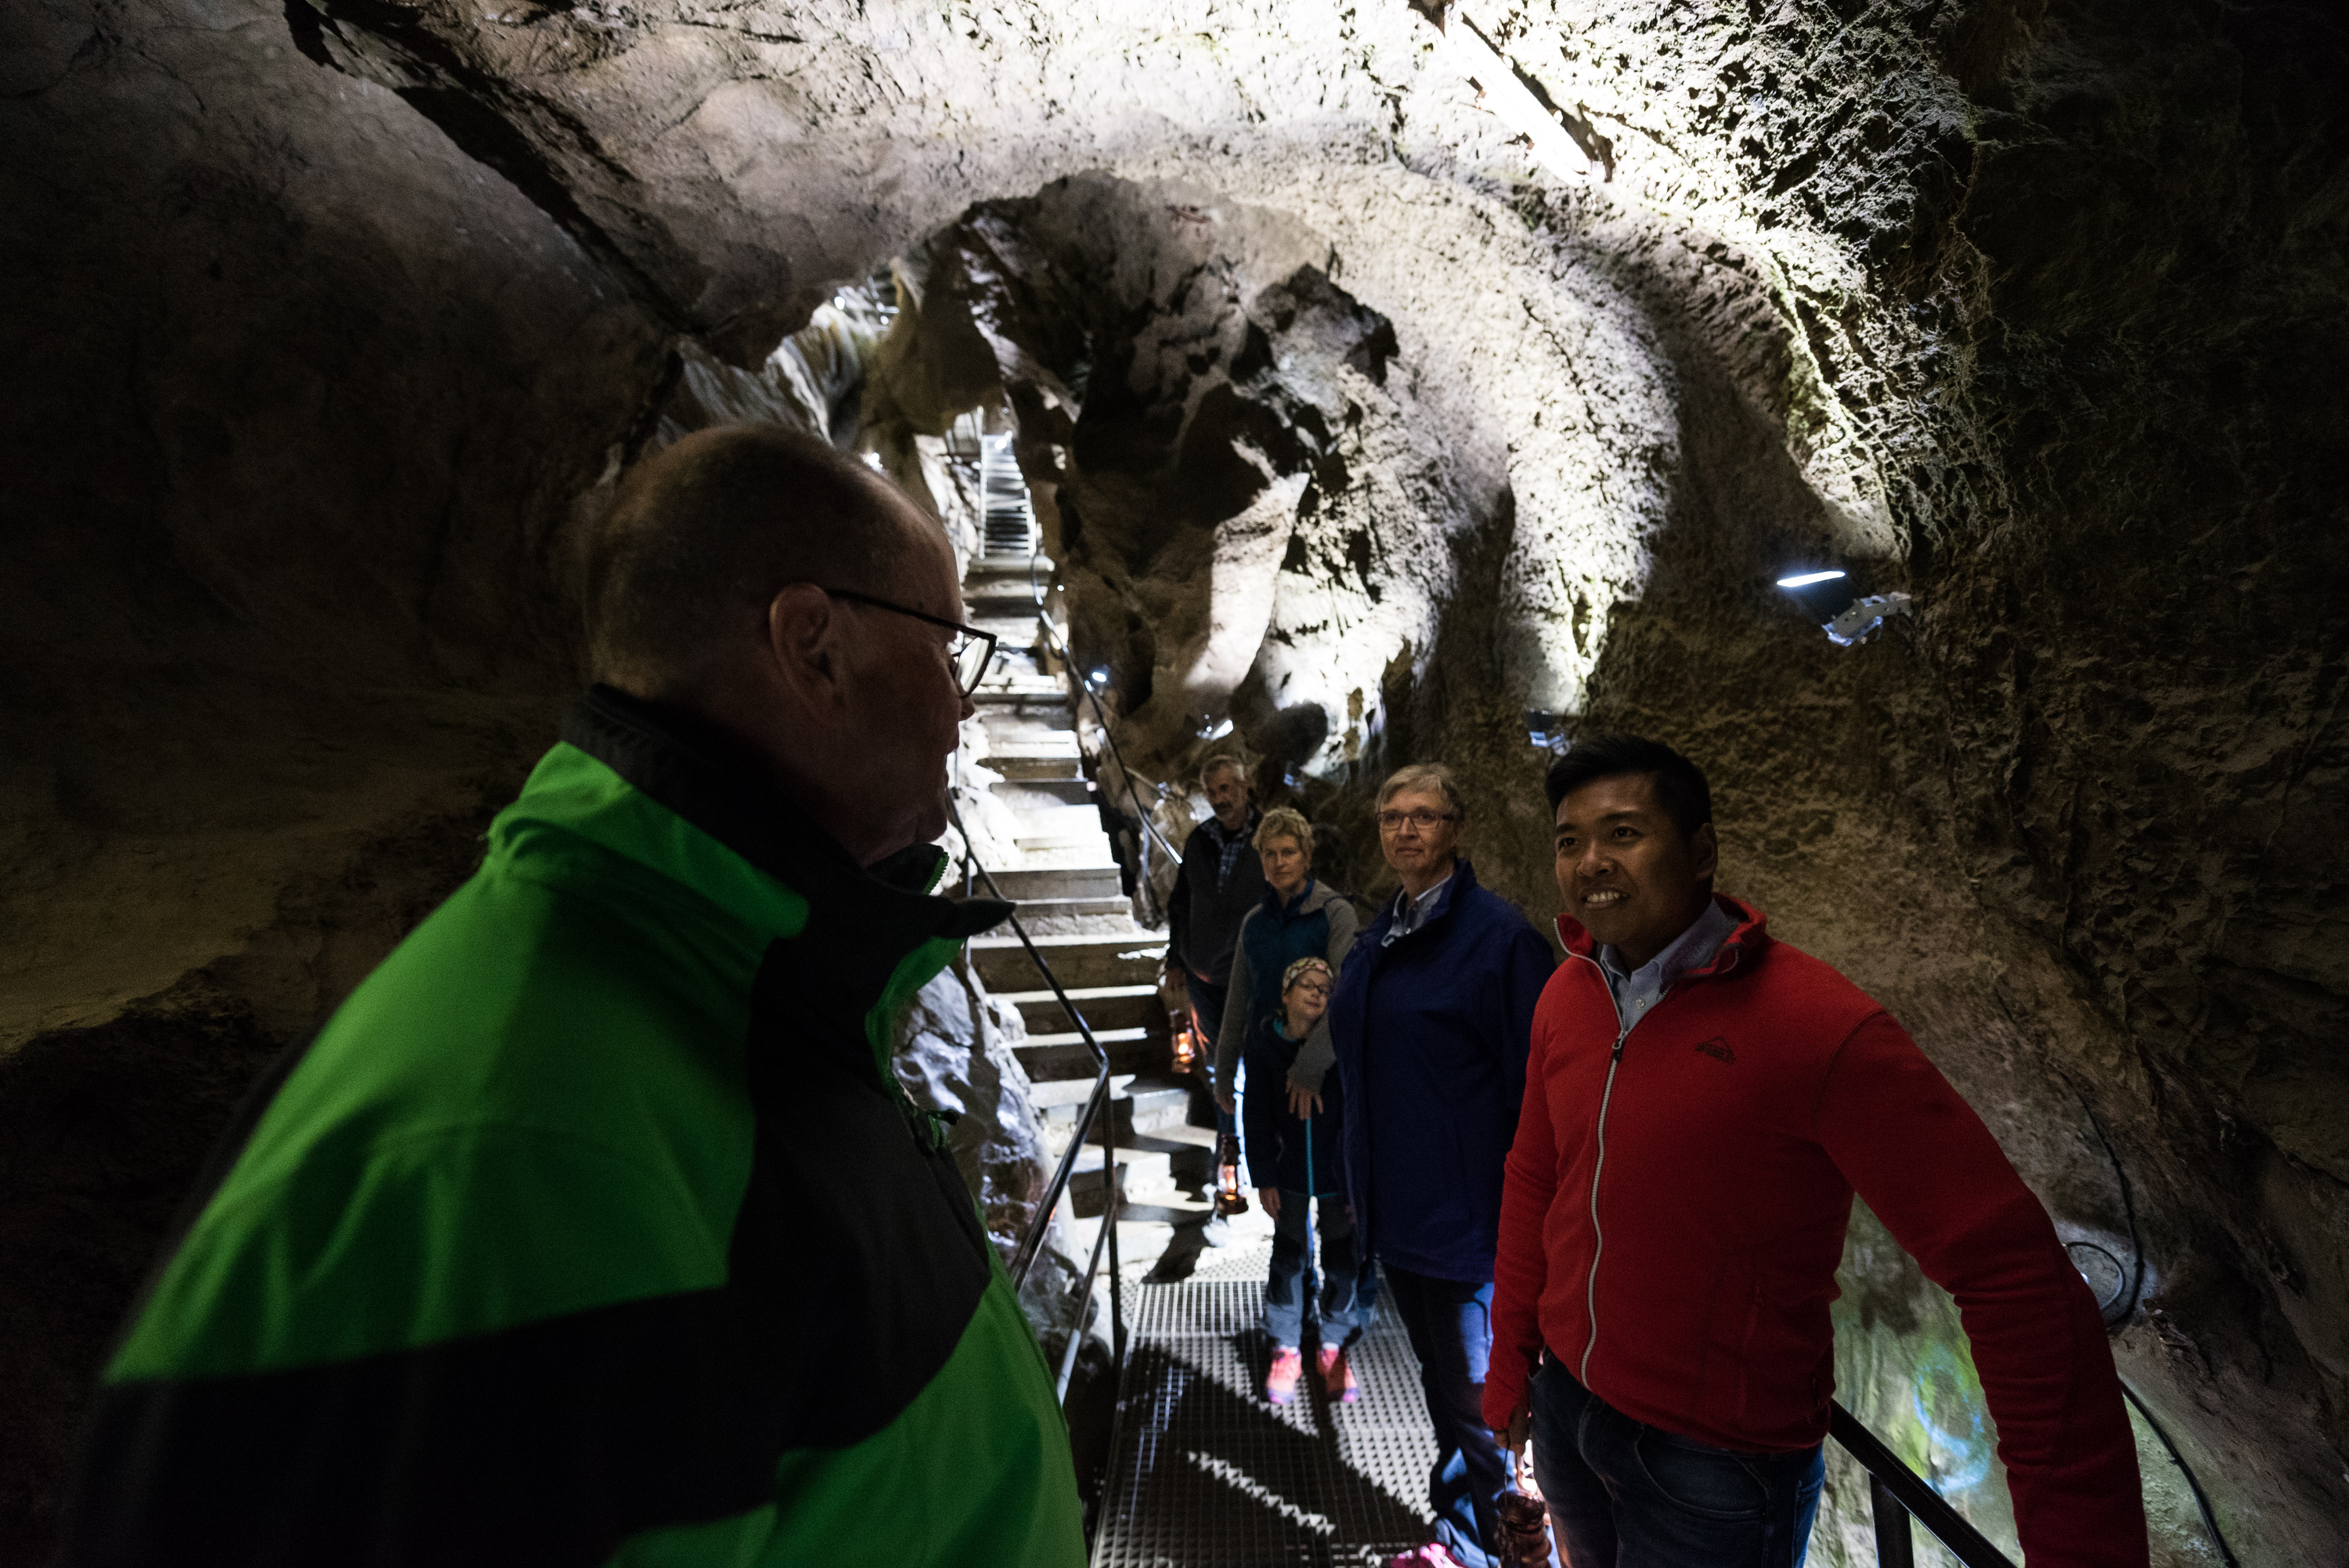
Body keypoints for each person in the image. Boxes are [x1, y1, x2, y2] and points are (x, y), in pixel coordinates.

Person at [56, 426, 1088, 1566]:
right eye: (948, 651)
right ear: (816, 648)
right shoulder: (515, 1140)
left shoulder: (734, 995)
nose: (960, 706)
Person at [1486, 734, 2148, 1567]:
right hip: (1572, 1408)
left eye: (1623, 832)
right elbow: (1535, 1176)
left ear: (1699, 851)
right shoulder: (1571, 994)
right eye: (1570, 840)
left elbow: (2013, 1273)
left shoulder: (1815, 1025)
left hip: (1713, 1462)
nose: (1591, 862)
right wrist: (1514, 1360)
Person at [1328, 764, 1558, 1568]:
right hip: (1403, 1212)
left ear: (1457, 829)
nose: (1404, 830)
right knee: (1444, 1391)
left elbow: (1541, 1090)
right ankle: (1465, 1537)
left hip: (1473, 1226)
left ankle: (1523, 1550)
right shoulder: (1382, 931)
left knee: (1487, 1403)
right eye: (1392, 815)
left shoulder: (1498, 940)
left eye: (1424, 815)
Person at [1207, 806, 1366, 1400]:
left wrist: (1312, 1062)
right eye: (1269, 854)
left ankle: (1334, 1340)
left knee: (1342, 1231)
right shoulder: (1256, 923)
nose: (1278, 862)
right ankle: (1284, 1342)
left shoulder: (1334, 914)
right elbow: (1240, 1002)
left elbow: (1347, 993)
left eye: (1288, 852)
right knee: (1290, 1233)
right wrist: (1225, 1068)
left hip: (1331, 1082)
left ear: (1307, 854)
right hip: (1273, 1073)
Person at [1240, 957, 1371, 1405]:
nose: (1317, 993)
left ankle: (1333, 1345)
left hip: (1338, 1175)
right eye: (1307, 985)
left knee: (1342, 1260)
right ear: (1285, 994)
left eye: (1325, 988)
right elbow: (1254, 1114)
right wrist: (1263, 1175)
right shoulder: (1263, 1047)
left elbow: (1359, 1112)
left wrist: (1360, 1179)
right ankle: (1287, 1346)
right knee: (1289, 1258)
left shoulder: (1343, 1045)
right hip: (1290, 1172)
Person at [1161, 754, 1265, 1051]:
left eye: (1225, 788)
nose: (1219, 799)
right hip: (1203, 977)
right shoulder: (1199, 840)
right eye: (1212, 791)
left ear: (1244, 788)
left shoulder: (1268, 839)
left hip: (1250, 974)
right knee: (1216, 1056)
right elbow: (1180, 902)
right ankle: (1223, 1098)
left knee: (1254, 1050)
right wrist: (1175, 959)